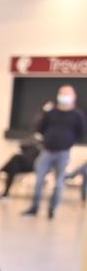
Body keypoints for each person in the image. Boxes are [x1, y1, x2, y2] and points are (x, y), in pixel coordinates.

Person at [23, 85, 86, 219]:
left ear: (73, 97)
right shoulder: (51, 112)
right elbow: (40, 127)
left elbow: (80, 133)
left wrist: (68, 142)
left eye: (67, 93)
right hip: (47, 150)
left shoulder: (77, 115)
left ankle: (52, 208)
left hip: (63, 152)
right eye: (62, 93)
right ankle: (34, 207)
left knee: (59, 183)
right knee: (39, 179)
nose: (64, 96)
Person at [0, 135, 41, 200]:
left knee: (15, 158)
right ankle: (5, 192)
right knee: (13, 167)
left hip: (33, 165)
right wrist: (33, 142)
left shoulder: (43, 148)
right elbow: (21, 145)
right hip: (23, 164)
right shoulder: (31, 144)